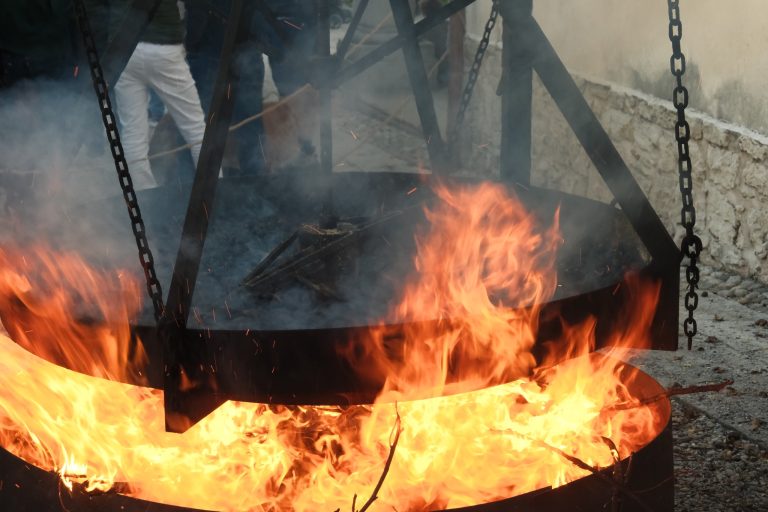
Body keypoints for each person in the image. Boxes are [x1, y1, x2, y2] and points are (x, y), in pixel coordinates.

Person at [185, 0, 317, 174]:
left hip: (221, 58)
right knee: (241, 125)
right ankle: (248, 173)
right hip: (242, 56)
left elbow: (196, 17)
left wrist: (190, 44)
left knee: (204, 123)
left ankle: (241, 175)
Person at [111, 0, 207, 190]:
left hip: (123, 47)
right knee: (196, 129)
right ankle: (215, 193)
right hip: (163, 46)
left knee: (133, 135)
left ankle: (143, 197)